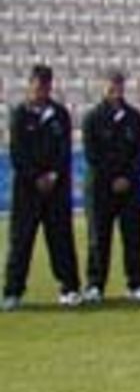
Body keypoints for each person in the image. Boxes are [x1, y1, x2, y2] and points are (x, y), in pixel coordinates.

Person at [2, 64, 81, 310]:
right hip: (27, 189)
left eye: (46, 85)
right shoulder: (19, 114)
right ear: (30, 84)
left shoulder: (59, 114)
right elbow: (17, 152)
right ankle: (13, 292)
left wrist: (53, 175)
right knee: (21, 240)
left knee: (60, 239)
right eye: (37, 84)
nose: (41, 89)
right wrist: (36, 176)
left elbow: (64, 150)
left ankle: (69, 288)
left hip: (56, 189)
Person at [82, 68, 140, 303]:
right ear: (103, 87)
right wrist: (112, 178)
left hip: (129, 188)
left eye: (119, 87)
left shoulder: (134, 117)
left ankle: (136, 283)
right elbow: (92, 154)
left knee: (133, 237)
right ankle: (95, 285)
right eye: (111, 87)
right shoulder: (92, 118)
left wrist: (128, 177)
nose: (115, 91)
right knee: (99, 238)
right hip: (101, 188)